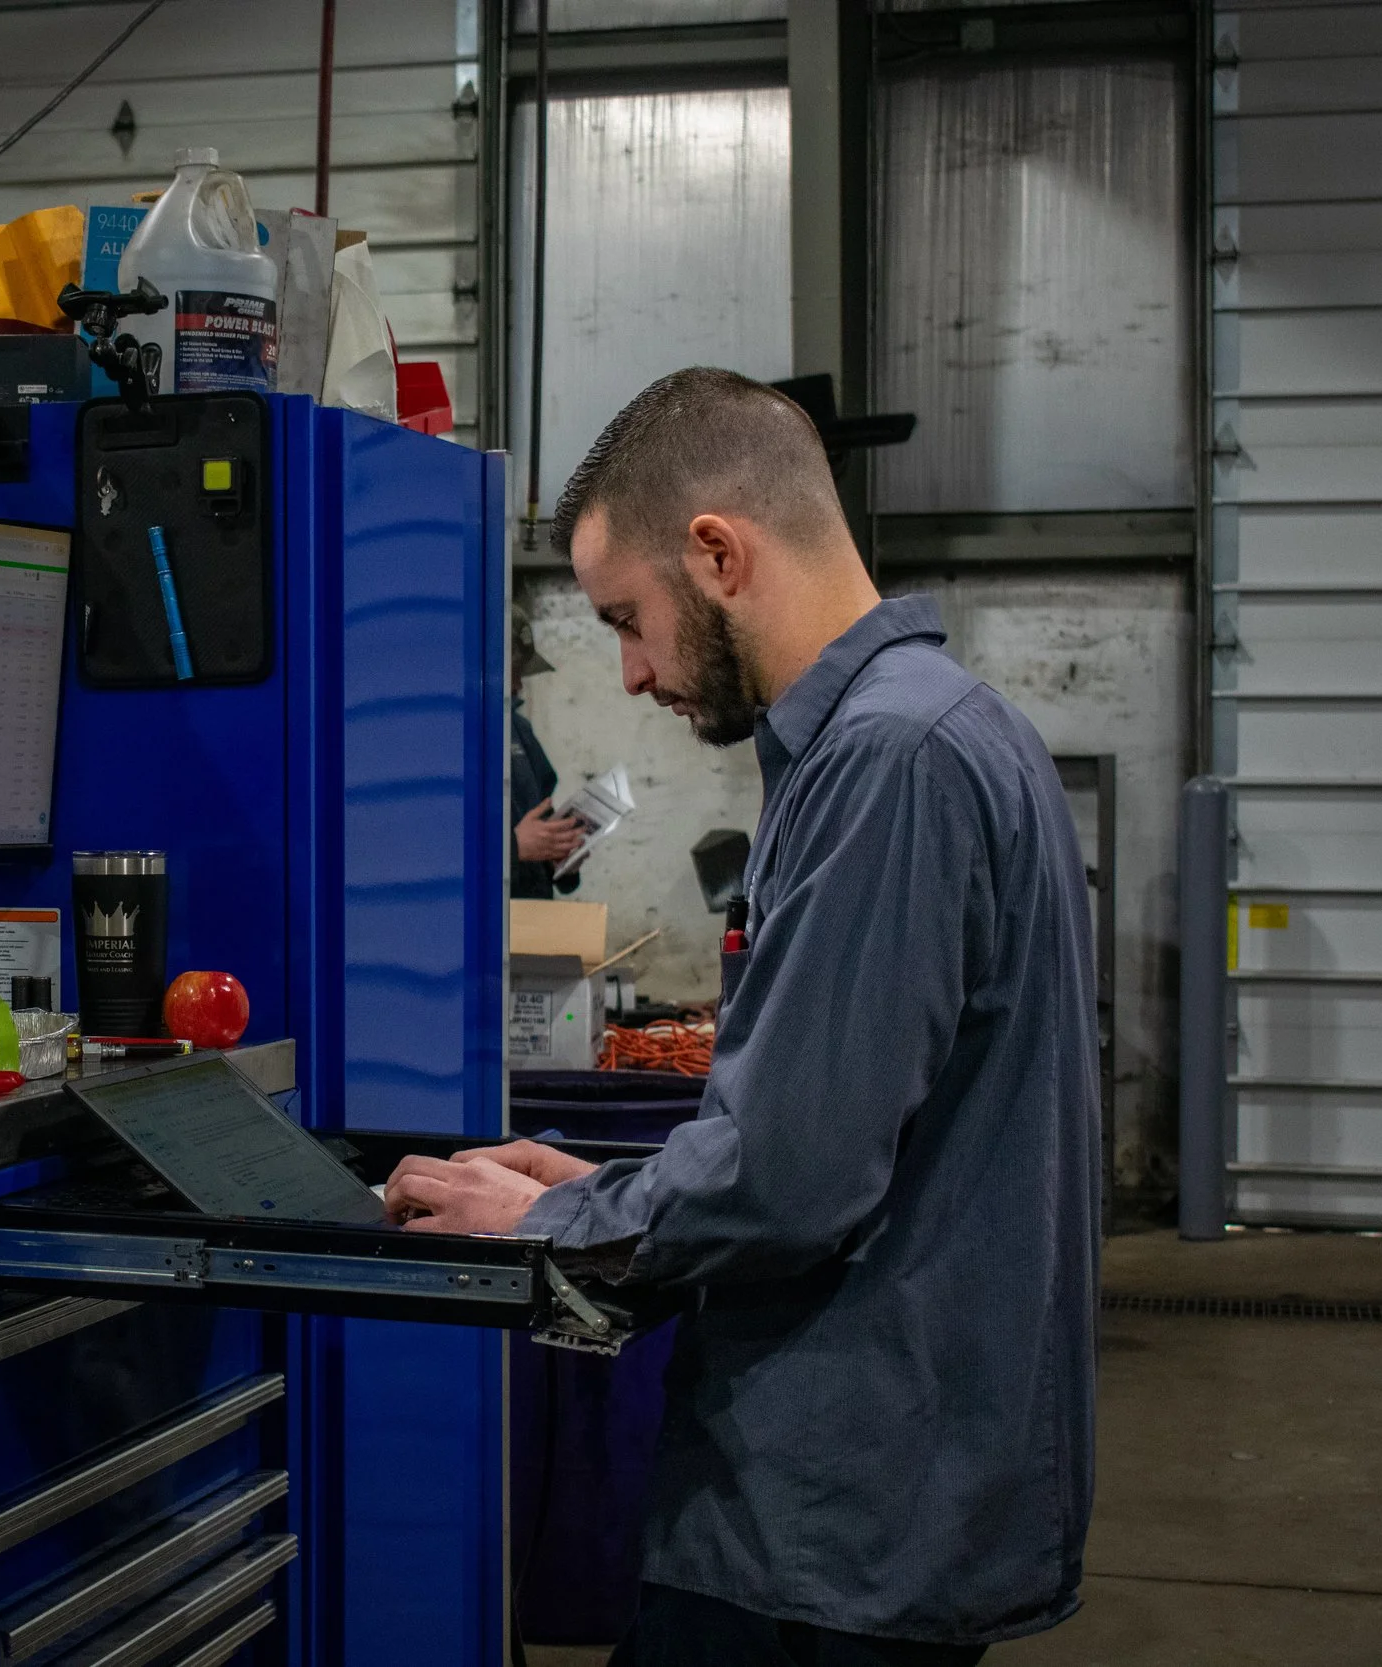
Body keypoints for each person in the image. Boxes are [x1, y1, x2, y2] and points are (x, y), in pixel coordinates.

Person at [386, 369, 1098, 1665]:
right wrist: (610, 1183)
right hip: (868, 1498)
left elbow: (790, 1177)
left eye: (628, 618)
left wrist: (547, 1216)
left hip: (829, 1527)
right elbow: (853, 1127)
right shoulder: (946, 733)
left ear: (715, 551)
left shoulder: (892, 764)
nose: (634, 669)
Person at [511, 604, 586, 899]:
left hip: (533, 919)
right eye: (514, 672)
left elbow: (544, 810)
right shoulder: (444, 742)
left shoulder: (519, 730)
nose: (519, 684)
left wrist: (563, 854)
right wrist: (513, 848)